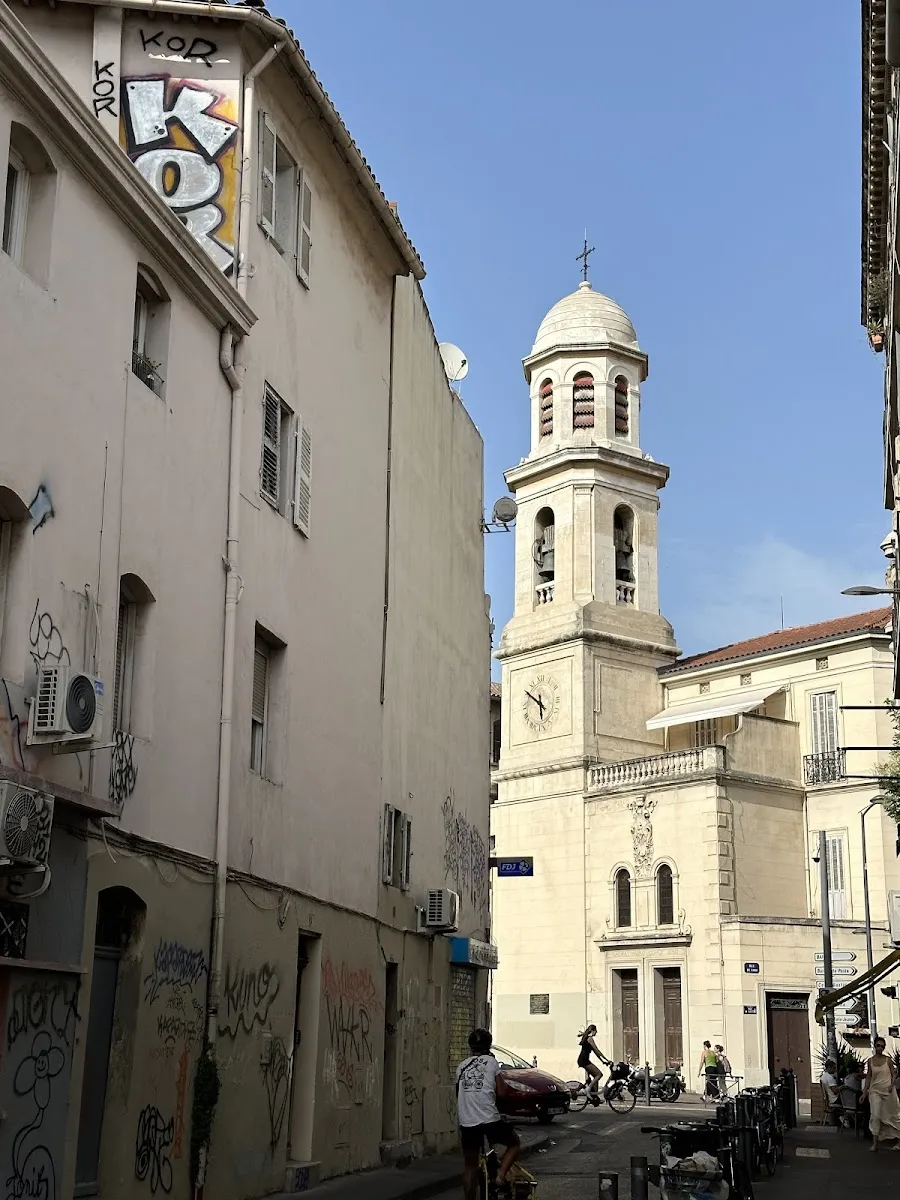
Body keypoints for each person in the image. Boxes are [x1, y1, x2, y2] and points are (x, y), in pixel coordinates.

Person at [456, 1029, 520, 1198]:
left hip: (467, 1122)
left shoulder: (461, 1066)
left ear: (471, 1047)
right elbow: (501, 1092)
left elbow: (459, 1092)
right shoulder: (492, 1063)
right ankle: (500, 1176)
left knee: (470, 1165)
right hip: (489, 1119)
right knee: (514, 1143)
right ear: (488, 1045)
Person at [861, 1037, 900, 1152]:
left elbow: (894, 1074)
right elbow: (868, 1077)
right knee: (875, 1115)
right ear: (874, 1046)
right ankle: (874, 1143)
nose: (880, 1048)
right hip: (875, 1091)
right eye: (878, 1045)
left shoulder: (888, 1060)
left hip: (888, 1091)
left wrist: (891, 1085)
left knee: (894, 1115)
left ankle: (898, 1141)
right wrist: (864, 1092)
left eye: (882, 1046)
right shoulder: (870, 1061)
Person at [577, 1025, 605, 1103]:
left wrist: (603, 1061)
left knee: (594, 1078)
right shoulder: (590, 1039)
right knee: (599, 1074)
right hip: (584, 1060)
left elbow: (595, 1053)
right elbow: (597, 1051)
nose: (597, 1032)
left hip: (583, 1060)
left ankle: (594, 1097)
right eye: (596, 1031)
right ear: (592, 1031)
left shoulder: (587, 1038)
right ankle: (588, 1089)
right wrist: (606, 1059)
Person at [820, 1059, 842, 1125]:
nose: (835, 1070)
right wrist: (841, 1088)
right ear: (829, 1067)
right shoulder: (830, 1078)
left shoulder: (823, 1077)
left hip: (829, 1099)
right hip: (834, 1099)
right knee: (850, 1101)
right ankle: (845, 1118)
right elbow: (834, 1091)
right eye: (834, 1068)